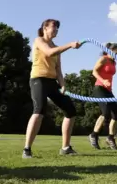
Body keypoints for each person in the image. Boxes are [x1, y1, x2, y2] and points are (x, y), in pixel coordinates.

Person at [23, 19, 82, 158]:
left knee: (70, 111)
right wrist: (70, 45)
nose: (56, 30)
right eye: (54, 28)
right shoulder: (39, 40)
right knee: (39, 110)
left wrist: (62, 84)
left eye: (57, 29)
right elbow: (49, 52)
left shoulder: (57, 48)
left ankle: (65, 147)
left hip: (52, 82)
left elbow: (58, 69)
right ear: (45, 28)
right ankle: (27, 149)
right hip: (38, 80)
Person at [88, 42, 117, 150]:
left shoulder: (114, 62)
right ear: (109, 51)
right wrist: (103, 81)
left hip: (108, 90)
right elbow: (94, 72)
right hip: (100, 88)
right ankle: (93, 135)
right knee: (105, 113)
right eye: (115, 52)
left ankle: (110, 138)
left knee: (116, 115)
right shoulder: (103, 59)